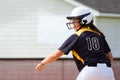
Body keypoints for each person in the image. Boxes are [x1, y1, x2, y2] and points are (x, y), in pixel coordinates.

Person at [36, 7, 115, 80]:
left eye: (75, 20)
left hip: (90, 71)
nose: (72, 23)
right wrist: (104, 70)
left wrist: (43, 63)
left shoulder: (77, 36)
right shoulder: (99, 35)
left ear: (85, 20)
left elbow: (56, 55)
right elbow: (110, 57)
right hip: (108, 71)